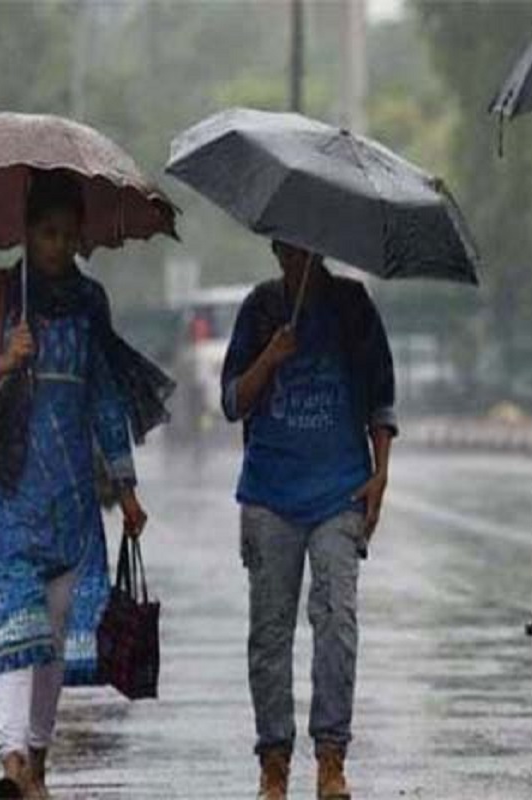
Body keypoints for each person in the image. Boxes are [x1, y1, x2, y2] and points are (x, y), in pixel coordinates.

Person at [0, 170, 171, 798]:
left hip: (71, 499)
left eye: (69, 235)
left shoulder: (91, 303)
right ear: (26, 231)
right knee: (20, 631)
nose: (58, 246)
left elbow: (101, 398)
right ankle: (11, 761)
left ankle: (36, 763)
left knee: (54, 641)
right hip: (10, 495)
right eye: (47, 233)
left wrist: (124, 486)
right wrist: (1, 362)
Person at [221, 240, 397, 800]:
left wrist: (381, 472)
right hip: (270, 497)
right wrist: (270, 356)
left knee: (337, 622)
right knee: (269, 635)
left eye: (307, 249)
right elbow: (232, 401)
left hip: (339, 493)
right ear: (274, 247)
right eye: (287, 248)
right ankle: (274, 762)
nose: (297, 258)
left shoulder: (353, 307)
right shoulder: (259, 308)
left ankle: (330, 758)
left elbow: (381, 398)